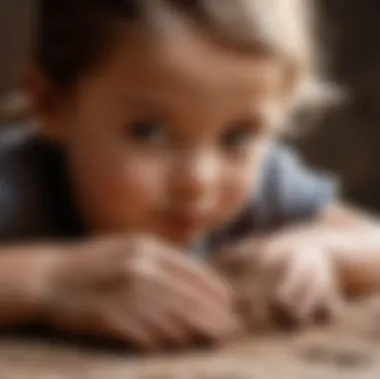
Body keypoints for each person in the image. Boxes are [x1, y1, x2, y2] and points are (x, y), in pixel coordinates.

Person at [0, 0, 379, 350]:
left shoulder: (263, 181)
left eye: (238, 136)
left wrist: (320, 251)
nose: (198, 180)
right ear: (49, 103)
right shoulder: (15, 185)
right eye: (148, 132)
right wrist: (50, 280)